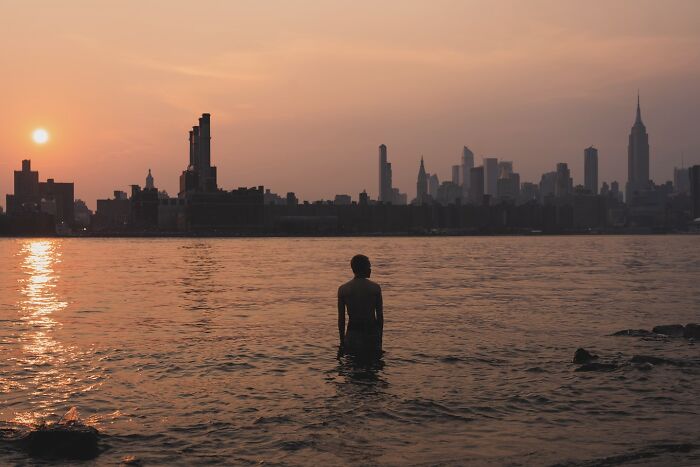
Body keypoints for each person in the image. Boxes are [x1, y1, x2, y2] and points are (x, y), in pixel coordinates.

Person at [337, 254, 383, 359]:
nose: (371, 269)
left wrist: (342, 341)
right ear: (365, 268)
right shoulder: (375, 288)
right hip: (371, 334)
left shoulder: (343, 289)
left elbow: (341, 319)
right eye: (369, 267)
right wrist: (380, 339)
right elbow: (380, 317)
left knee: (353, 368)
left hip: (353, 333)